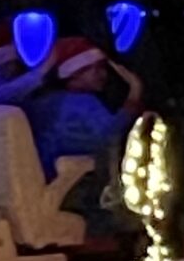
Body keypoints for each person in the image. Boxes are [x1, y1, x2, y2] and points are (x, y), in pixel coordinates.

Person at [26, 36, 143, 209]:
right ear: (73, 74)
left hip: (39, 184)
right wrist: (134, 93)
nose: (102, 75)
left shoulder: (42, 102)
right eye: (92, 70)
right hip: (70, 190)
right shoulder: (82, 104)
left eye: (102, 68)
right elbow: (111, 134)